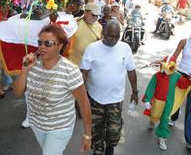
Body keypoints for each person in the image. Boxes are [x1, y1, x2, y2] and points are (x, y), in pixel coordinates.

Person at [13, 24, 92, 155]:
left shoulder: (70, 71)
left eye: (48, 43)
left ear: (60, 46)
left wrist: (87, 135)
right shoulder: (32, 64)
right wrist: (25, 70)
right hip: (37, 124)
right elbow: (18, 92)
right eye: (40, 42)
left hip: (59, 127)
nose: (42, 46)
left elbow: (84, 105)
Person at [80, 20, 138, 155]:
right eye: (109, 36)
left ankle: (110, 147)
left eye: (116, 36)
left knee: (114, 131)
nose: (112, 39)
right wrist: (81, 96)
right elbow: (84, 73)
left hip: (115, 100)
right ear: (103, 33)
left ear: (119, 35)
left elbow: (131, 71)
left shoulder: (125, 48)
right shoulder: (92, 48)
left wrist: (135, 91)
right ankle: (98, 149)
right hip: (95, 98)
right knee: (96, 129)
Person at [170, 37, 191, 149]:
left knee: (190, 108)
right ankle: (173, 118)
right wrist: (167, 66)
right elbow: (174, 58)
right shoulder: (184, 42)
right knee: (176, 100)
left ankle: (189, 140)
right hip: (182, 76)